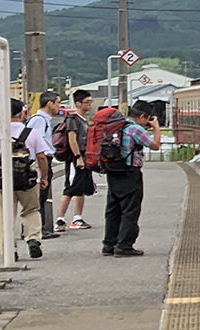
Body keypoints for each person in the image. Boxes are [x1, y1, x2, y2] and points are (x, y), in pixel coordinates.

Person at [93, 101, 157, 258]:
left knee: (113, 208)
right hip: (130, 173)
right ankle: (124, 246)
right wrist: (156, 128)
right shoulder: (136, 129)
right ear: (142, 116)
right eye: (147, 119)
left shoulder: (115, 126)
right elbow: (155, 145)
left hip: (113, 171)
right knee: (130, 210)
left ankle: (109, 244)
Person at [8, 98, 52, 260]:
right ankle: (33, 238)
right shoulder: (30, 133)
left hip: (2, 181)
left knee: (4, 215)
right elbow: (41, 157)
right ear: (21, 113)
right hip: (28, 179)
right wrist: (44, 177)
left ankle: (9, 249)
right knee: (31, 210)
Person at [56, 89, 97, 232]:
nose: (89, 104)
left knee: (81, 188)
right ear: (78, 103)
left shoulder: (84, 120)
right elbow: (71, 138)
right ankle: (60, 219)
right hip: (76, 157)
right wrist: (78, 157)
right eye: (87, 102)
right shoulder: (73, 119)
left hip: (84, 157)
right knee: (70, 188)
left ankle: (77, 217)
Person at [28, 92, 58, 239]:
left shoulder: (43, 119)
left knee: (42, 196)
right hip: (41, 160)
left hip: (44, 158)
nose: (59, 105)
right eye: (57, 102)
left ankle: (40, 228)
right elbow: (36, 143)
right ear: (49, 103)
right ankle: (36, 229)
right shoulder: (40, 120)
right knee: (39, 197)